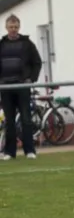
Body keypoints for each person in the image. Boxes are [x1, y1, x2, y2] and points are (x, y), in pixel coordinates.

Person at [0, 14, 42, 161]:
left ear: (19, 27)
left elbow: (37, 62)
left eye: (16, 27)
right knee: (9, 120)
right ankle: (9, 152)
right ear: (6, 27)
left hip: (22, 85)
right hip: (5, 87)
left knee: (26, 119)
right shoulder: (1, 44)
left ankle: (29, 150)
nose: (13, 29)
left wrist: (31, 79)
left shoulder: (27, 44)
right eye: (11, 27)